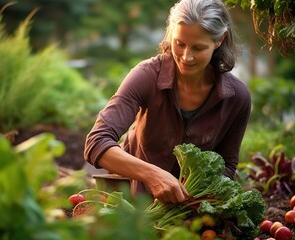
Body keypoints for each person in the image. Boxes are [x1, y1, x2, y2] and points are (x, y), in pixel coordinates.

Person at [84, 0, 251, 203]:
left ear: (219, 40)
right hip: (132, 202)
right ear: (171, 33)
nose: (186, 57)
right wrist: (152, 175)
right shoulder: (145, 77)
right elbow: (96, 142)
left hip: (189, 208)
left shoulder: (237, 97)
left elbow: (228, 165)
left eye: (198, 48)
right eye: (179, 44)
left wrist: (197, 200)